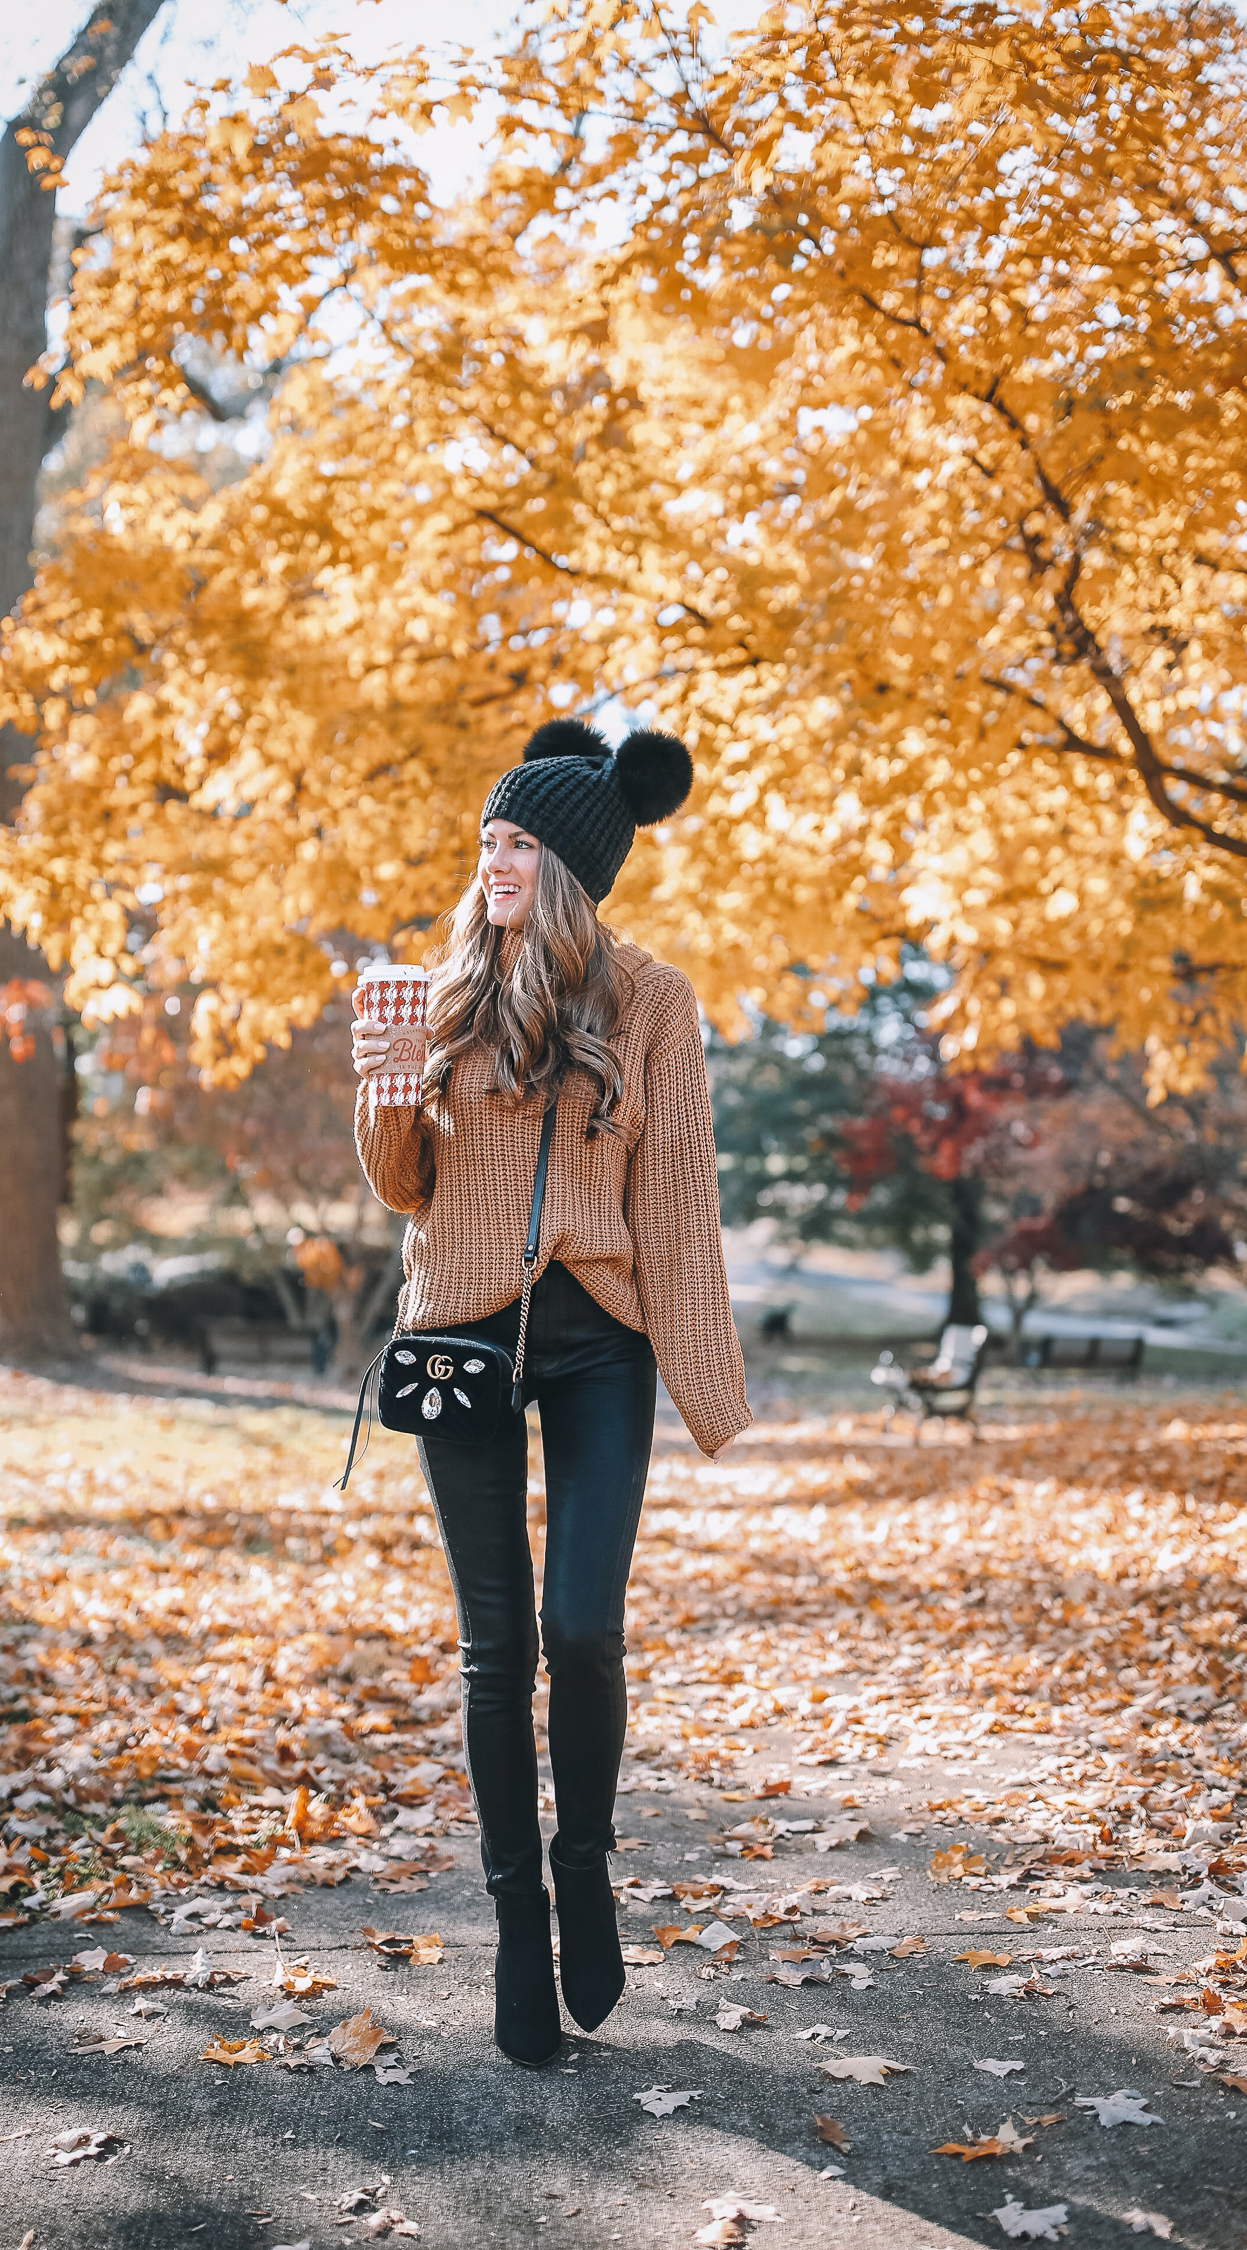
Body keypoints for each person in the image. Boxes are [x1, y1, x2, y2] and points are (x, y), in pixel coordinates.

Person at [351, 717, 751, 2068]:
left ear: (573, 865)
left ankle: (583, 1864)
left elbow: (680, 1201)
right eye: (487, 837)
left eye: (519, 842)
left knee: (581, 1628)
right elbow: (405, 1185)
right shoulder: (439, 987)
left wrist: (707, 1379)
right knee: (494, 1647)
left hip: (596, 1342)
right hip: (464, 1333)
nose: (493, 859)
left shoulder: (650, 1000)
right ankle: (518, 1919)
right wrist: (388, 1075)